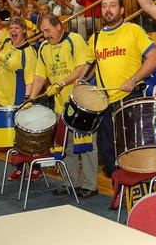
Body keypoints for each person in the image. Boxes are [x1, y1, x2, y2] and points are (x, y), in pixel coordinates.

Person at [86, 0, 156, 194]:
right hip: (105, 103)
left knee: (133, 150)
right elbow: (90, 67)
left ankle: (141, 192)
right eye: (104, 6)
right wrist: (81, 82)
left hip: (130, 99)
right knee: (110, 153)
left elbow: (155, 58)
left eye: (112, 5)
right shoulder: (95, 39)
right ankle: (119, 191)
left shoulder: (133, 30)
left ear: (121, 10)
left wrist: (134, 79)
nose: (107, 9)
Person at [27, 15, 98, 198]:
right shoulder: (43, 48)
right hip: (62, 107)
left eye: (48, 30)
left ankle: (90, 185)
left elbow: (83, 68)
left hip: (83, 103)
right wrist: (32, 97)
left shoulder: (75, 40)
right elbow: (39, 76)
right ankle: (70, 183)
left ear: (59, 26)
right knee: (67, 147)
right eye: (43, 31)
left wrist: (61, 83)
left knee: (87, 146)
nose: (45, 35)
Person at [0, 0, 38, 180]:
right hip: (2, 98)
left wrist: (26, 100)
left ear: (24, 31)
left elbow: (30, 79)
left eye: (16, 28)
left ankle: (34, 166)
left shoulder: (28, 53)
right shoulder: (5, 40)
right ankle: (19, 167)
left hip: (18, 98)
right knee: (10, 136)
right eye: (11, 28)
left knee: (21, 135)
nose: (12, 31)